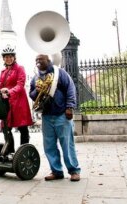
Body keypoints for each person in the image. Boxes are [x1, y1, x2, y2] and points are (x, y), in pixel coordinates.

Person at [29, 54, 81, 182]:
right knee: (49, 146)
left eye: (40, 60)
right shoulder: (35, 77)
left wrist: (69, 107)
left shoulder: (60, 73)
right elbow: (32, 95)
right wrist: (36, 90)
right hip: (47, 116)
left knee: (67, 145)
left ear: (48, 61)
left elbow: (70, 88)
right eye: (36, 60)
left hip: (62, 114)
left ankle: (74, 171)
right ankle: (56, 171)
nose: (38, 62)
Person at [0, 44, 32, 151]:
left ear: (14, 57)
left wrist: (9, 91)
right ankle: (10, 150)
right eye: (6, 57)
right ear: (3, 58)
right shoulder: (3, 72)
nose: (8, 59)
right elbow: (0, 86)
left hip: (19, 102)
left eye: (10, 56)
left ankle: (23, 150)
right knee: (5, 127)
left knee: (22, 127)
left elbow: (20, 85)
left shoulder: (20, 69)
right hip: (7, 103)